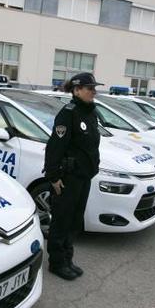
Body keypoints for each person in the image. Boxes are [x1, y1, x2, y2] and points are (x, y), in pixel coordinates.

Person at [44, 72, 102, 280]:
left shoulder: (90, 113)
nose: (94, 92)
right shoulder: (68, 114)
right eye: (90, 88)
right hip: (68, 179)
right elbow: (54, 148)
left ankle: (68, 258)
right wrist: (53, 176)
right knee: (62, 220)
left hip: (83, 177)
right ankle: (57, 263)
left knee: (75, 221)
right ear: (77, 90)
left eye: (94, 88)